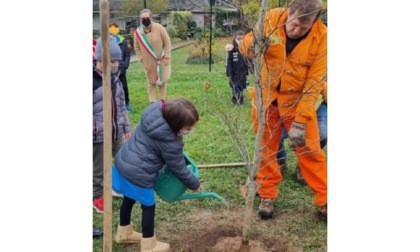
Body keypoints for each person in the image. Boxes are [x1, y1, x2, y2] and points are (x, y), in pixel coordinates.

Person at [239, 0, 327, 220]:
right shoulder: (271, 18)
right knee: (267, 149)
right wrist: (256, 44)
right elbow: (245, 45)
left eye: (303, 29)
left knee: (310, 151)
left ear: (314, 22)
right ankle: (267, 194)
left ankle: (326, 200)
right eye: (293, 24)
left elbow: (314, 82)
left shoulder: (322, 37)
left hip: (297, 102)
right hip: (266, 99)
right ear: (289, 12)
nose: (295, 31)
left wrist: (301, 120)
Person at [112, 98, 202, 251]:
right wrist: (195, 184)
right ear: (176, 124)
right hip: (139, 174)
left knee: (129, 198)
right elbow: (178, 168)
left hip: (124, 162)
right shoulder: (170, 142)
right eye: (188, 127)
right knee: (148, 205)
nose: (189, 130)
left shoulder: (154, 113)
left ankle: (124, 233)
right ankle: (149, 245)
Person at [93, 36, 132, 213]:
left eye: (117, 60)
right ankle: (97, 198)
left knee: (125, 159)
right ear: (101, 60)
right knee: (99, 169)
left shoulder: (115, 80)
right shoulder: (92, 81)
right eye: (113, 60)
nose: (116, 64)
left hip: (116, 131)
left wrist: (126, 127)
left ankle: (116, 186)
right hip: (98, 134)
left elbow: (122, 106)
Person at [278, 82, 327, 185]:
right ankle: (279, 160)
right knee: (276, 135)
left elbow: (321, 84)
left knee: (322, 133)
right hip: (286, 108)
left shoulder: (315, 75)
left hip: (312, 110)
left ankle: (304, 165)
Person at [134, 9, 172, 103]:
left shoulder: (159, 28)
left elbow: (167, 41)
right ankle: (152, 102)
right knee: (151, 83)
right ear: (140, 19)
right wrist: (141, 58)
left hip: (161, 60)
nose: (145, 19)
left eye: (147, 17)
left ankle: (162, 101)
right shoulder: (138, 33)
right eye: (143, 18)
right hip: (148, 62)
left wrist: (167, 54)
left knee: (162, 82)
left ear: (151, 17)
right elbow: (136, 47)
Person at [109, 23, 133, 112]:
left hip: (122, 70)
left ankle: (126, 104)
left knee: (124, 87)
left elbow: (127, 55)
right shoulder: (106, 42)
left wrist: (124, 65)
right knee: (112, 88)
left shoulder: (122, 41)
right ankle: (113, 104)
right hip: (111, 71)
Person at [226, 30, 249, 105]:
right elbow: (228, 61)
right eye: (238, 39)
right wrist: (229, 72)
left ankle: (241, 99)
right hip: (234, 71)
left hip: (243, 71)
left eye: (241, 38)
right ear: (235, 38)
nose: (240, 40)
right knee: (234, 85)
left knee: (242, 85)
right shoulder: (232, 49)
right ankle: (235, 99)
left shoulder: (246, 48)